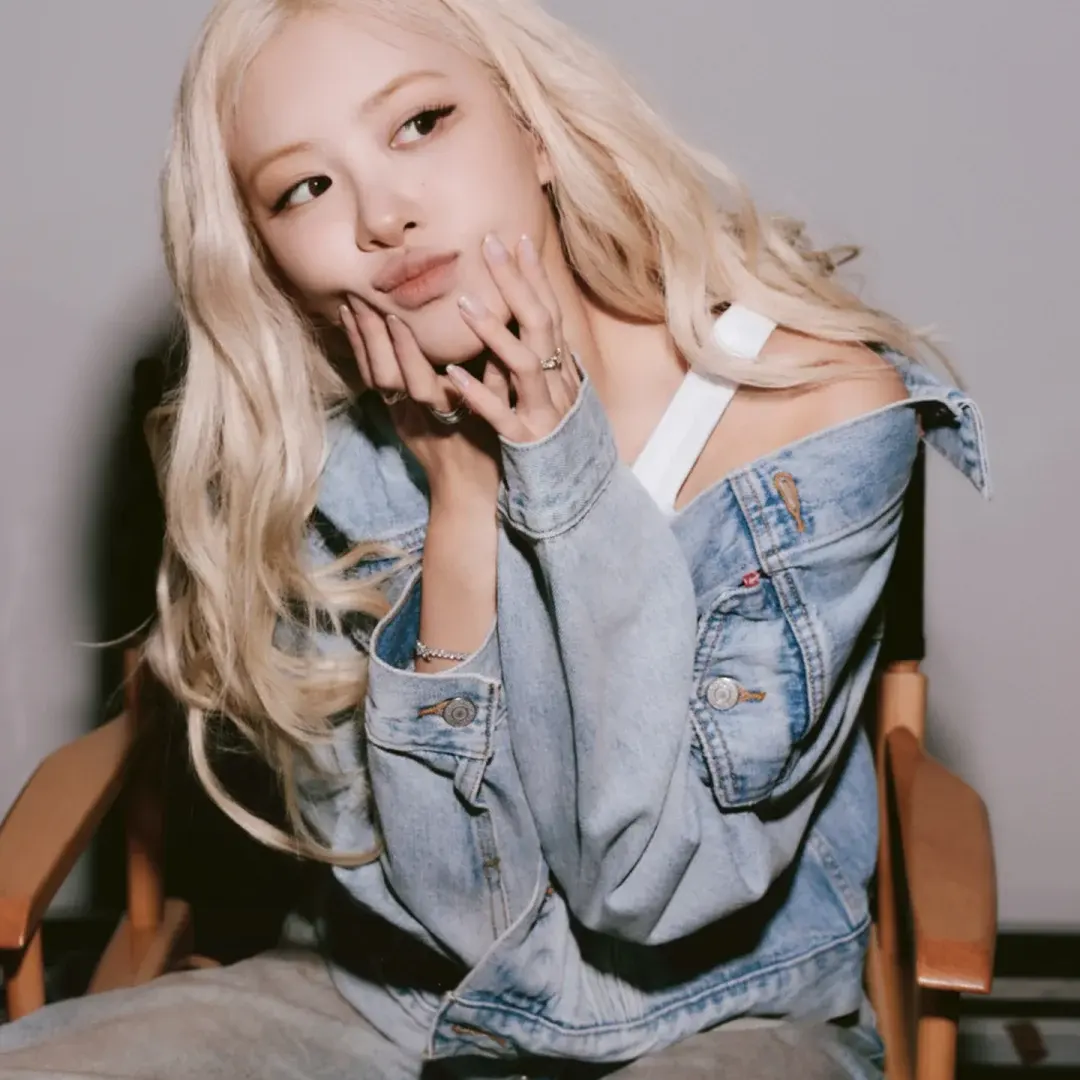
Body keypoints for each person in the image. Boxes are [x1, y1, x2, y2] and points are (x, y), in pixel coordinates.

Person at [0, 0, 990, 1077]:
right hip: (386, 997)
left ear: (535, 130)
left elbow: (647, 890)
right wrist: (461, 507)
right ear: (271, 260)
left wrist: (562, 469)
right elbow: (464, 917)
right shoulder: (302, 464)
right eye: (306, 187)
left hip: (725, 1017)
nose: (383, 215)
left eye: (420, 123)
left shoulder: (814, 416)